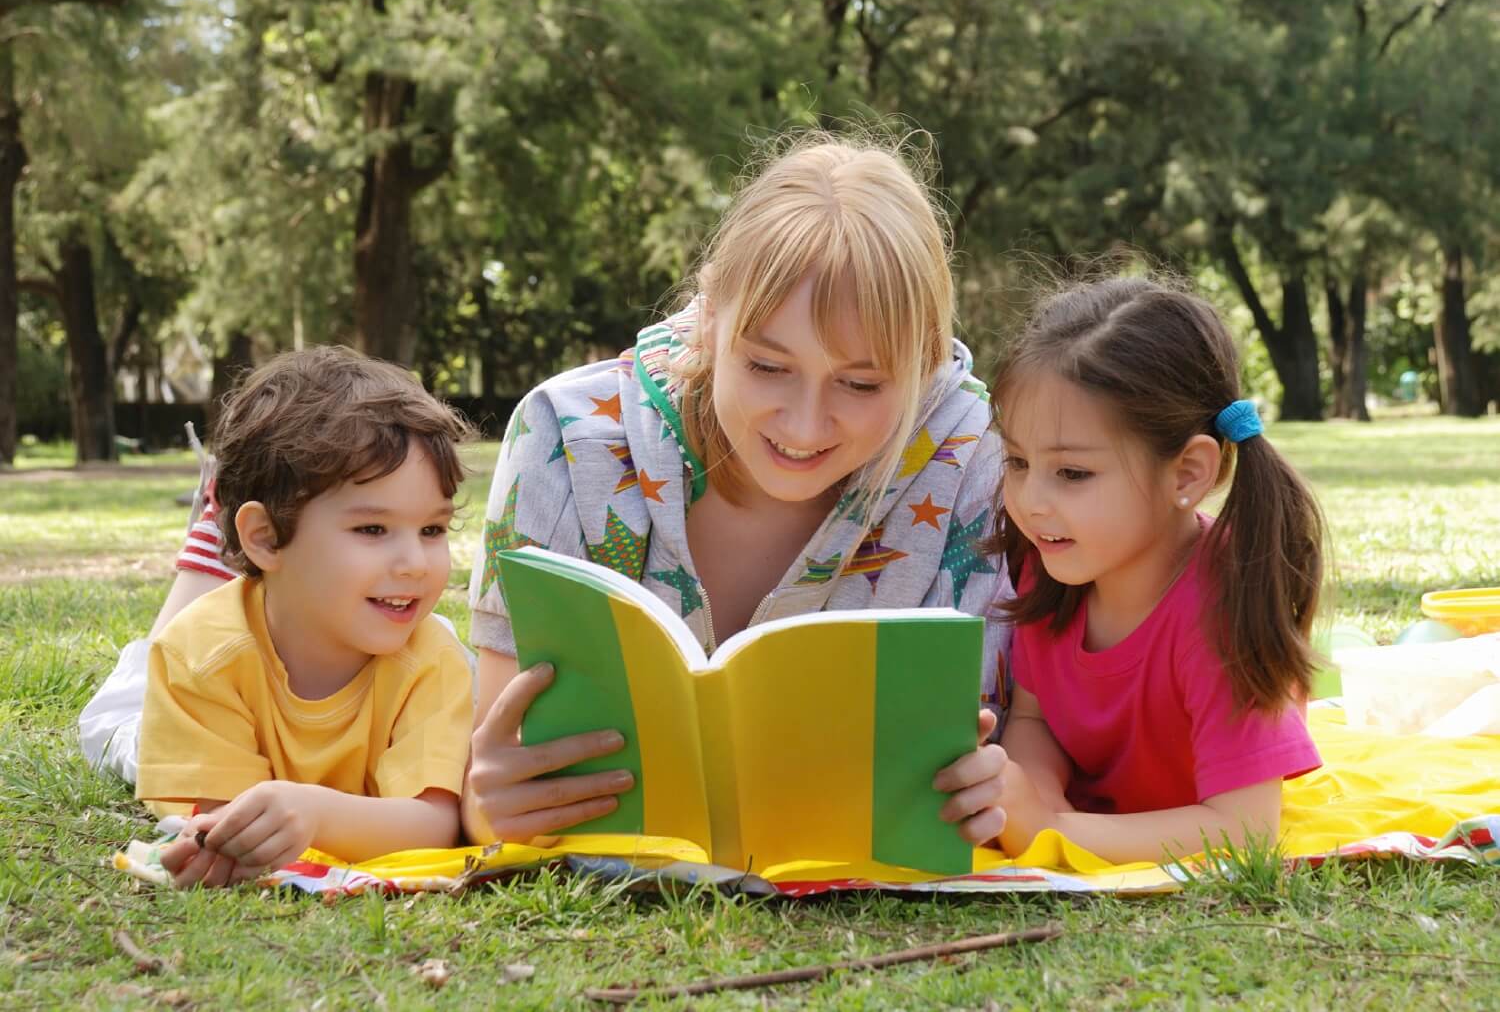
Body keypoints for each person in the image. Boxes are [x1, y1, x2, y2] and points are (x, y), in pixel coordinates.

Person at [463, 132, 1014, 848]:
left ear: (927, 358)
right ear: (711, 315)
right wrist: (494, 804)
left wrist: (991, 793)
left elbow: (994, 765)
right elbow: (488, 785)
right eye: (767, 366)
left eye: (860, 383)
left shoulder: (972, 458)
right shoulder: (563, 439)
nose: (805, 425)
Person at [986, 275, 1325, 865]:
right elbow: (1036, 718)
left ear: (1187, 474)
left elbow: (1245, 831)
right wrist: (1033, 793)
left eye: (1072, 473)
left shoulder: (1222, 616)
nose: (1030, 500)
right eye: (1017, 461)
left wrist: (1052, 833)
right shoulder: (1053, 563)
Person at [116, 347, 475, 887]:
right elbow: (227, 823)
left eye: (432, 530)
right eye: (372, 530)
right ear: (265, 538)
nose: (415, 564)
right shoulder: (197, 655)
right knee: (116, 730)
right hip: (154, 707)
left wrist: (316, 814)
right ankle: (204, 547)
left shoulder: (432, 659)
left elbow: (435, 824)